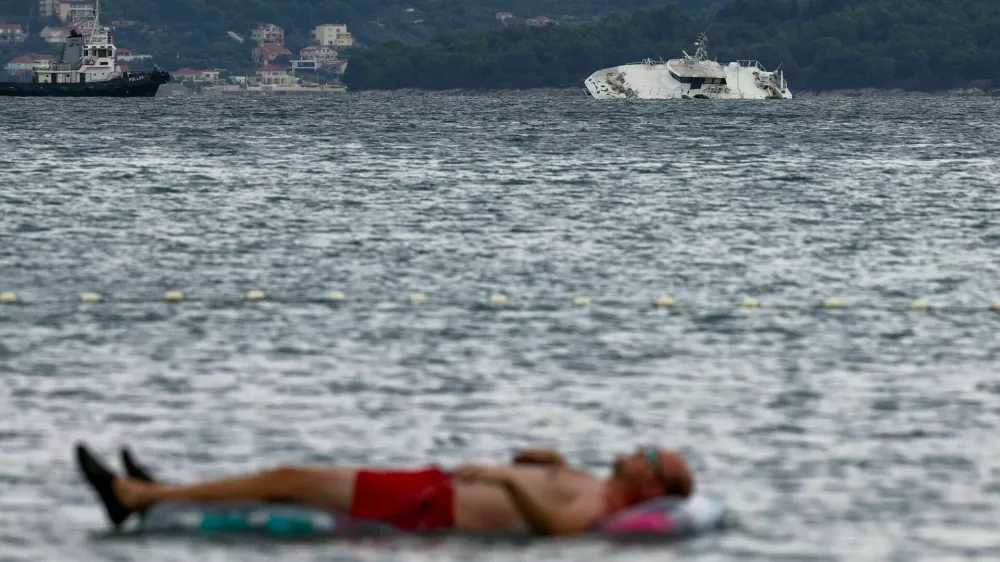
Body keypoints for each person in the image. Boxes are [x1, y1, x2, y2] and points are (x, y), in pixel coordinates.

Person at [75, 442, 694, 537]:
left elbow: (556, 531)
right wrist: (545, 462)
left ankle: (137, 497)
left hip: (424, 506)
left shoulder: (600, 507)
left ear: (650, 483)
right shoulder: (591, 481)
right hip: (430, 489)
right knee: (287, 483)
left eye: (647, 454)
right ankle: (158, 494)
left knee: (288, 482)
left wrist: (513, 480)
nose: (636, 449)